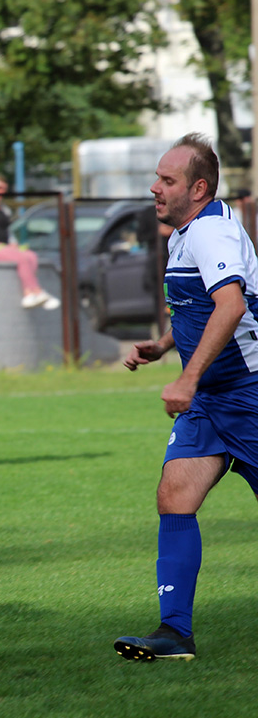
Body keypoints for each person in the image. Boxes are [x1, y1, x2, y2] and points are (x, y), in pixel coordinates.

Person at [114, 134, 258, 662]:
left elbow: (231, 306)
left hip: (248, 394)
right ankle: (175, 633)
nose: (154, 187)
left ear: (198, 188)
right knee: (175, 494)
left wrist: (187, 379)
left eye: (167, 180)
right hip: (212, 401)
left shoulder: (211, 233)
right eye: (157, 177)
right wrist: (165, 344)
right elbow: (198, 305)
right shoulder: (187, 232)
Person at [0, 174, 60, 310]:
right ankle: (31, 293)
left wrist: (13, 242)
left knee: (31, 256)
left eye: (2, 189)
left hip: (3, 247)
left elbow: (7, 231)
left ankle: (36, 292)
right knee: (21, 258)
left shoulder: (5, 209)